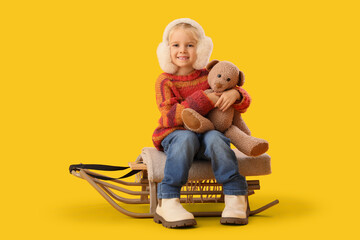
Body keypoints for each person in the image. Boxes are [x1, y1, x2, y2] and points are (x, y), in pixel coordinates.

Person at [152, 18, 251, 228]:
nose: (183, 50)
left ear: (201, 49)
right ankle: (168, 199)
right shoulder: (165, 80)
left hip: (207, 133)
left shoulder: (208, 75)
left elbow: (236, 94)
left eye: (190, 45)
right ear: (166, 50)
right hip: (176, 133)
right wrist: (205, 100)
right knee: (185, 137)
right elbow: (170, 116)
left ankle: (235, 195)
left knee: (216, 138)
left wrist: (236, 93)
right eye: (176, 45)